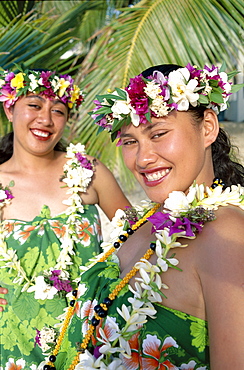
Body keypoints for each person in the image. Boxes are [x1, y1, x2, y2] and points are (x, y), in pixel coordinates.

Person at [41, 63, 244, 370]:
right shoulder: (143, 220)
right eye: (130, 141)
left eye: (158, 133)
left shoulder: (225, 233)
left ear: (208, 128)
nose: (143, 158)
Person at [0, 67, 130, 368]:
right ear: (10, 109)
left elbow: (139, 237)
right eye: (34, 105)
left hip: (87, 342)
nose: (45, 119)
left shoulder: (89, 173)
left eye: (58, 111)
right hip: (9, 345)